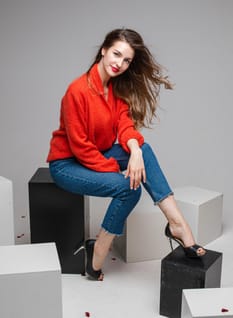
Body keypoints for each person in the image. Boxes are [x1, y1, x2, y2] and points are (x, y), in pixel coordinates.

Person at [47, 28, 206, 281]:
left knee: (143, 149)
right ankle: (99, 248)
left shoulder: (115, 88)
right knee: (130, 187)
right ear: (103, 50)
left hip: (97, 153)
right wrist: (117, 168)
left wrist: (134, 152)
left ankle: (177, 223)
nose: (119, 64)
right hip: (68, 164)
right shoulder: (76, 91)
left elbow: (125, 124)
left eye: (126, 60)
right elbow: (80, 147)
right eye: (116, 54)